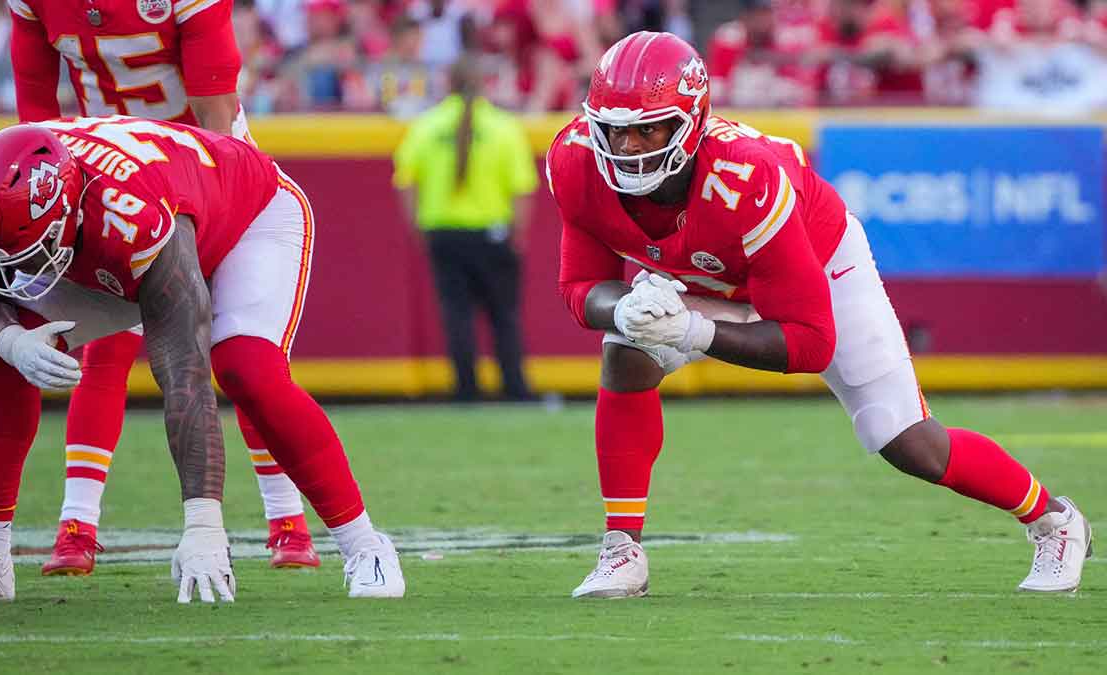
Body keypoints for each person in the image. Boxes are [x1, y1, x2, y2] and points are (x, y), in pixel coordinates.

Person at [547, 31, 1093, 599]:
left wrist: (689, 329)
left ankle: (1055, 521)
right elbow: (581, 285)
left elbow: (810, 343)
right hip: (706, 278)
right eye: (615, 128)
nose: (628, 146)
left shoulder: (746, 179)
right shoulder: (577, 160)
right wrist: (626, 307)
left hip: (818, 264)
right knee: (627, 350)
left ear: (692, 122)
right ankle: (622, 549)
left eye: (648, 128)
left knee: (906, 440)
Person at [0, 116, 405, 604]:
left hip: (247, 216)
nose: (20, 268)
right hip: (119, 232)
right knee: (4, 349)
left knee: (245, 367)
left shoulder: (130, 214)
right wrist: (11, 339)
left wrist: (203, 524)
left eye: (30, 250)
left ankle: (366, 545)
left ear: (65, 212)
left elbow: (184, 370)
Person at [7, 0, 320, 574]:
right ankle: (77, 524)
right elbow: (34, 112)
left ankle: (286, 518)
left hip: (202, 164)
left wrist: (201, 204)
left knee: (244, 352)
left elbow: (216, 113)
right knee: (107, 348)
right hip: (100, 165)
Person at [393, 55, 538, 402]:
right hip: (492, 232)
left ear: (449, 83)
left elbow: (406, 182)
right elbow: (522, 188)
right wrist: (518, 234)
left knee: (457, 315)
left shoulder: (426, 126)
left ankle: (466, 390)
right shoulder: (504, 127)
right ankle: (515, 388)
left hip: (443, 233)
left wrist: (419, 228)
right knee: (504, 315)